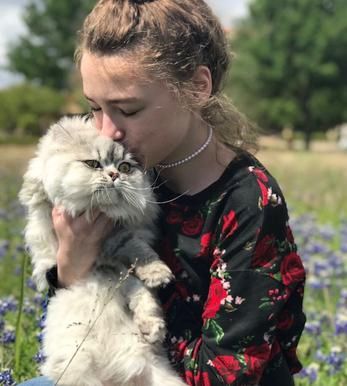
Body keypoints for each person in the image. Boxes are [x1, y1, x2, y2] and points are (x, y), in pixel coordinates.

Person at [19, 0, 306, 385]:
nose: (106, 132)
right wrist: (72, 261)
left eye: (128, 110)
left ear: (197, 88)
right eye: (95, 108)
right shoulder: (117, 170)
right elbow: (68, 328)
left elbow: (229, 373)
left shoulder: (248, 200)